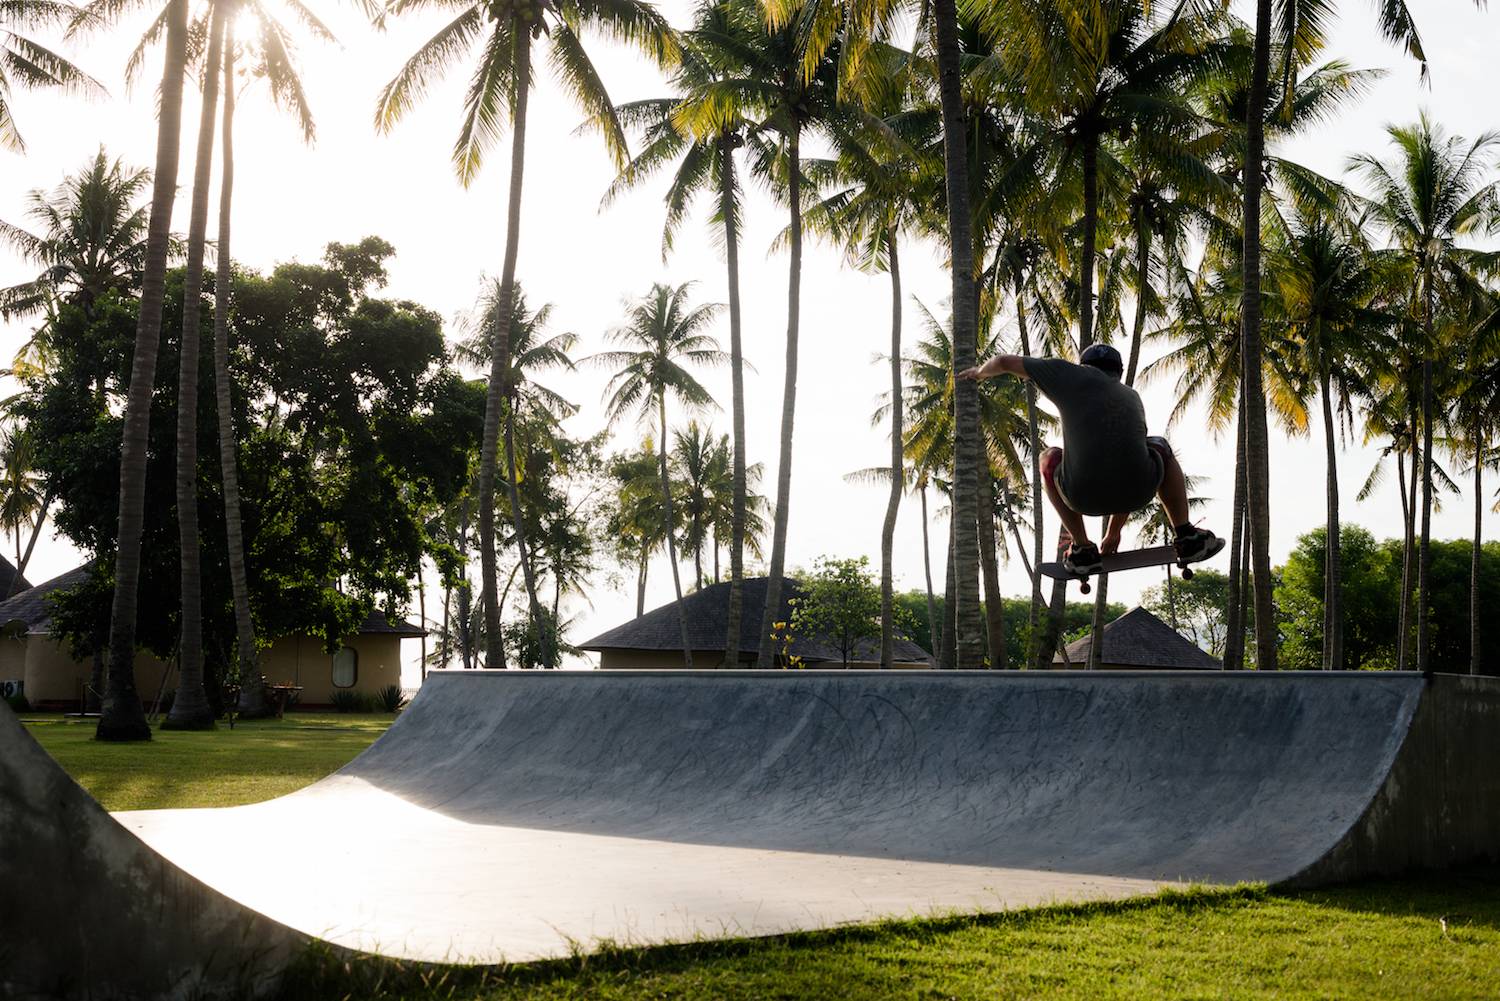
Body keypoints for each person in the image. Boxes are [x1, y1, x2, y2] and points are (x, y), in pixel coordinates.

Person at [958, 342, 1218, 575]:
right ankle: (1186, 535)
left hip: (1080, 495)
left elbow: (1004, 362)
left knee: (1049, 457)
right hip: (1138, 493)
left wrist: (978, 373)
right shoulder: (1131, 396)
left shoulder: (1067, 374)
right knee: (1159, 446)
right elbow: (1126, 461)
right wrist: (1114, 532)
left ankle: (1082, 547)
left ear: (1084, 365)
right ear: (1118, 371)